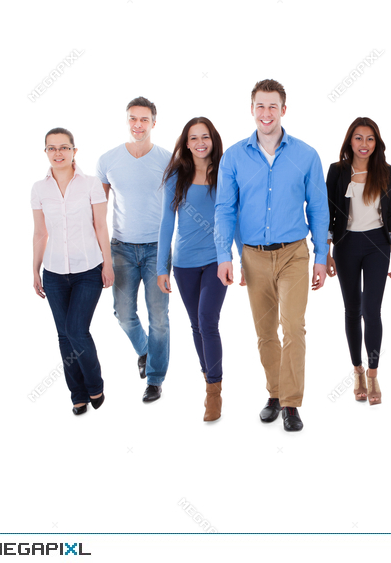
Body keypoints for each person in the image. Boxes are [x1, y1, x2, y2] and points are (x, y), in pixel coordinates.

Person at [214, 79, 329, 432]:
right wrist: (225, 255)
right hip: (253, 256)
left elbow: (320, 209)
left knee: (293, 326)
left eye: (273, 106)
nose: (266, 113)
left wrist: (322, 255)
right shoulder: (233, 156)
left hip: (295, 253)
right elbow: (224, 209)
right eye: (260, 106)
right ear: (252, 109)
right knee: (265, 331)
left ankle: (292, 404)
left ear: (283, 109)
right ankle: (276, 394)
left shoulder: (306, 155)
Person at [32, 128, 114, 415]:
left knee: (76, 330)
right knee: (64, 335)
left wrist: (108, 263)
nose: (58, 153)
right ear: (46, 152)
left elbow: (101, 226)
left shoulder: (91, 184)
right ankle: (77, 394)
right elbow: (40, 233)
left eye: (64, 147)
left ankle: (95, 384)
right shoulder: (39, 189)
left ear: (74, 151)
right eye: (52, 148)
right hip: (53, 272)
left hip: (88, 269)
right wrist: (35, 271)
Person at [97, 97, 172, 403]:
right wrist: (102, 257)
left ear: (154, 122)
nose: (138, 125)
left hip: (157, 248)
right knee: (124, 313)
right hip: (122, 249)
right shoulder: (108, 160)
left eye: (144, 119)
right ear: (127, 121)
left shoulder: (168, 160)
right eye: (132, 119)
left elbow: (176, 206)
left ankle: (154, 379)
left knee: (160, 317)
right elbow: (97, 214)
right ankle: (145, 350)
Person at [157, 117, 230, 422]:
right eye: (193, 138)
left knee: (206, 320)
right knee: (196, 325)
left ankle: (214, 391)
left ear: (213, 140)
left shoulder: (226, 171)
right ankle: (208, 375)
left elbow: (234, 217)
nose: (200, 143)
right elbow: (165, 222)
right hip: (184, 263)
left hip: (216, 259)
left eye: (205, 137)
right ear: (186, 143)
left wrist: (238, 257)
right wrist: (162, 266)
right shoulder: (177, 175)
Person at [325, 117, 391, 406]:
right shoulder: (337, 171)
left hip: (377, 245)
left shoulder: (386, 171)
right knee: (352, 308)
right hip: (346, 246)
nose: (364, 144)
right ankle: (356, 370)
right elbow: (329, 214)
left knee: (372, 309)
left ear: (376, 143)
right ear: (350, 141)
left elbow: (390, 214)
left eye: (370, 139)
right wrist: (327, 252)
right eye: (358, 138)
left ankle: (373, 373)